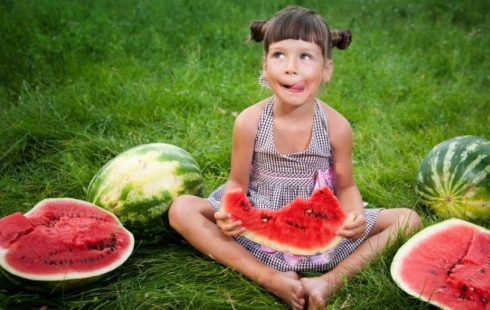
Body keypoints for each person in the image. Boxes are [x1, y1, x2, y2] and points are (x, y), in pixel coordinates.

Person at [168, 5, 422, 310]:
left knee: (408, 218)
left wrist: (353, 214)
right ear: (264, 65)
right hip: (257, 220)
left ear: (327, 68)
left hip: (321, 223)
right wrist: (229, 211)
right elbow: (237, 182)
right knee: (181, 209)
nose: (291, 67)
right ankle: (269, 276)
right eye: (279, 55)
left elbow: (346, 187)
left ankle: (329, 280)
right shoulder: (249, 122)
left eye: (305, 56)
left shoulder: (336, 127)